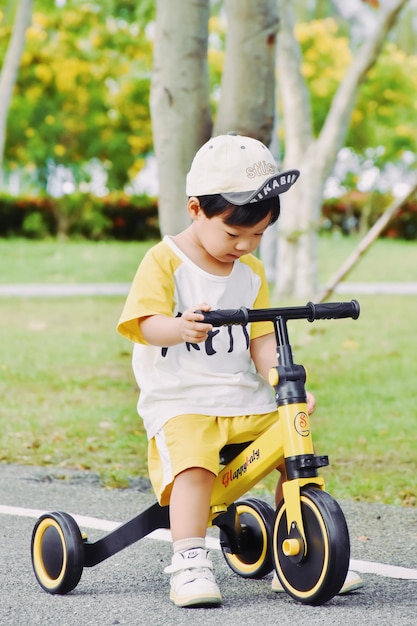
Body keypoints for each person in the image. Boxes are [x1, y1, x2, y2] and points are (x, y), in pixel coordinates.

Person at [117, 133, 363, 608]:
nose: (246, 245)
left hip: (238, 395)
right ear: (195, 209)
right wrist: (179, 327)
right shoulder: (165, 261)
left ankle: (300, 547)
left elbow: (262, 339)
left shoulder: (250, 273)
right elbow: (143, 323)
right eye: (234, 234)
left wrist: (282, 384)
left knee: (293, 443)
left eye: (259, 235)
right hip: (182, 398)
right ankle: (188, 561)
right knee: (193, 468)